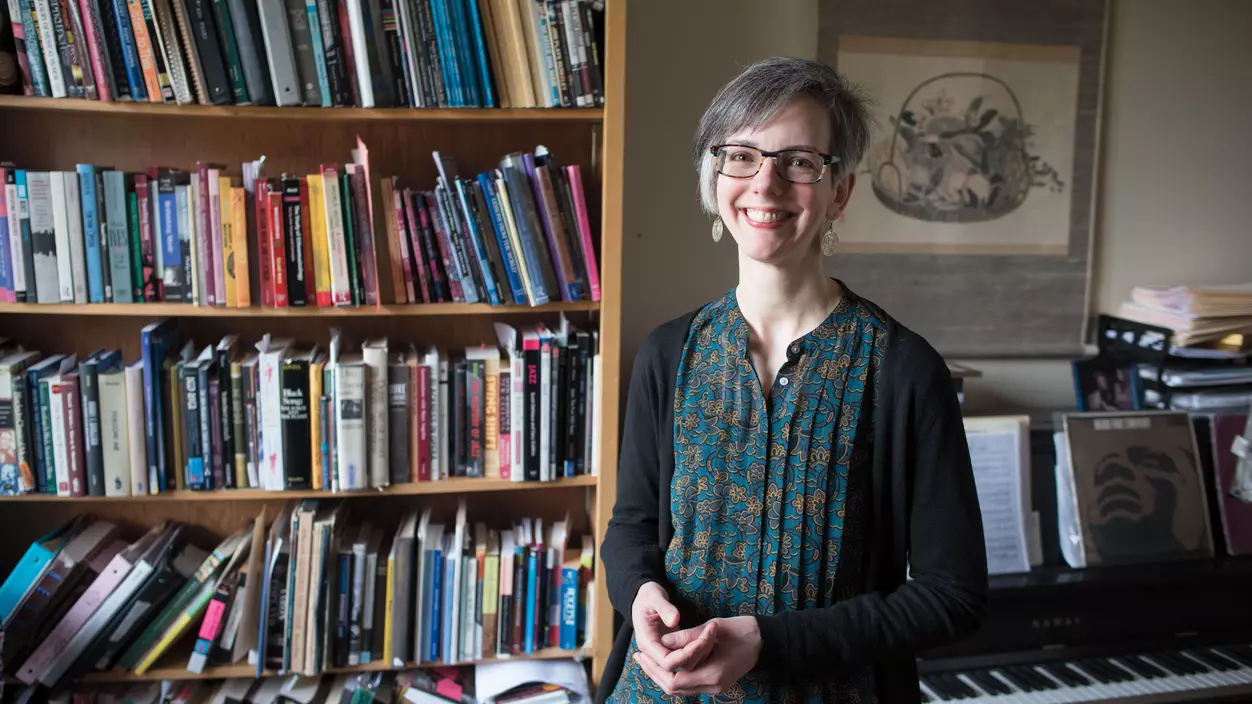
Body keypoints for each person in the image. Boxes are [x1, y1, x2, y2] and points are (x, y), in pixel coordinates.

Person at [598, 57, 988, 703]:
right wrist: (640, 595)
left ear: (840, 192)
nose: (767, 182)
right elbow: (631, 530)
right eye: (742, 156)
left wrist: (768, 643)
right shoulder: (669, 352)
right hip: (663, 693)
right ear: (714, 177)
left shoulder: (903, 367)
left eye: (800, 161)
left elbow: (953, 597)